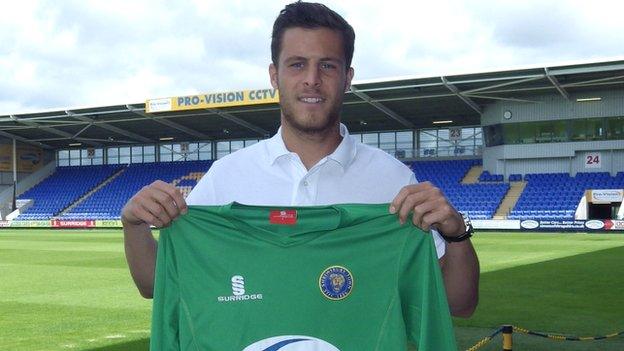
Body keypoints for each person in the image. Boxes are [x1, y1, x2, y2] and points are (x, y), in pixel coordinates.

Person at [121, 1, 479, 318]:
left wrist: (457, 235)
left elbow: (458, 305)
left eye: (327, 66)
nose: (312, 80)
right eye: (296, 65)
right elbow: (157, 284)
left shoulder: (394, 179)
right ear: (274, 76)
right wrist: (135, 227)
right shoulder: (227, 177)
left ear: (347, 78)